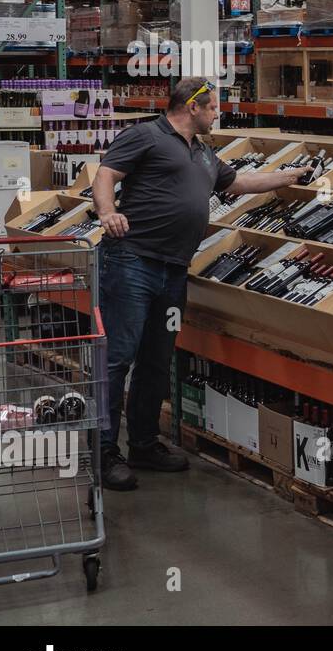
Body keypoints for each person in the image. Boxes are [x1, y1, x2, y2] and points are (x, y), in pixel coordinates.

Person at [92, 79, 308, 491]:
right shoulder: (146, 136)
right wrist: (107, 212)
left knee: (157, 358)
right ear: (192, 107)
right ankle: (104, 452)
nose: (216, 114)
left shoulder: (205, 153)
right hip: (132, 262)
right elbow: (106, 174)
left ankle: (142, 444)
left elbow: (238, 184)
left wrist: (287, 177)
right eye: (212, 108)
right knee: (118, 357)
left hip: (174, 272)